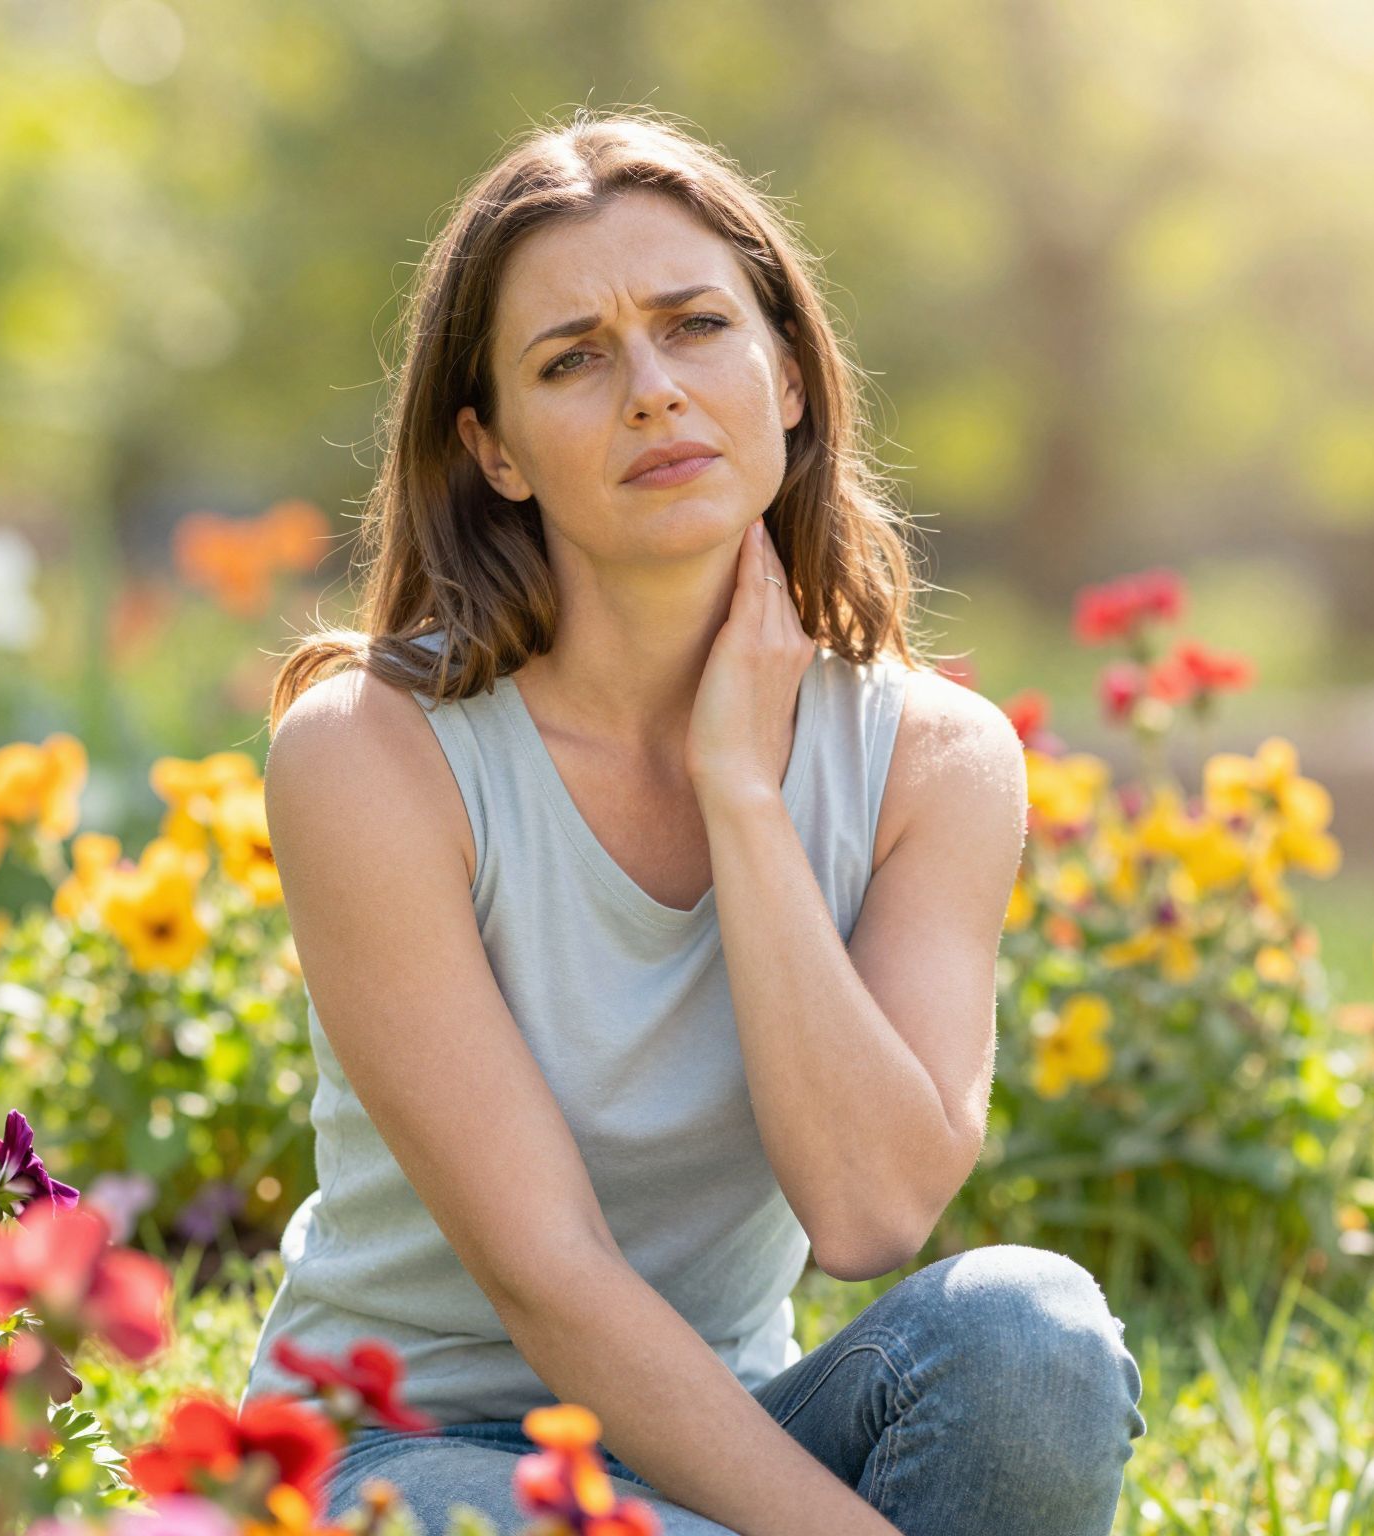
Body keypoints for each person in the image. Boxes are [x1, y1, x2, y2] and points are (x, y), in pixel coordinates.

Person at [241, 107, 1145, 1536]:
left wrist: (744, 794)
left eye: (695, 327)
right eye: (573, 361)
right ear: (497, 452)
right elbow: (549, 1274)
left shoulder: (934, 759)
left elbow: (868, 1215)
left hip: (727, 1432)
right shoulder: (371, 753)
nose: (654, 391)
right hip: (403, 1450)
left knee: (1029, 1339)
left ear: (786, 375)